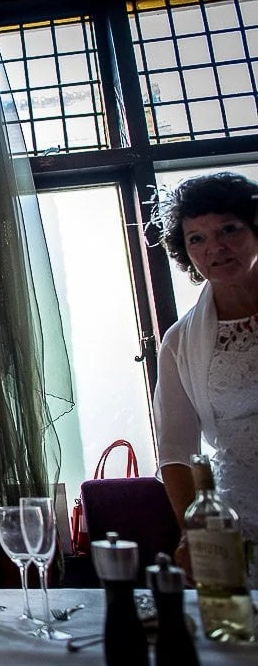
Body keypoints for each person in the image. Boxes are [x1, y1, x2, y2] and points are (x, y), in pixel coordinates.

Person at [153, 171, 258, 587]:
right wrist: (192, 531)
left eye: (228, 229)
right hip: (241, 516)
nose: (214, 247)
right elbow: (176, 449)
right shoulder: (180, 341)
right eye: (196, 238)